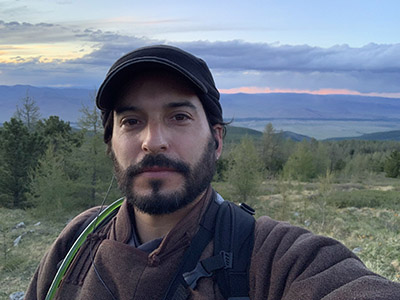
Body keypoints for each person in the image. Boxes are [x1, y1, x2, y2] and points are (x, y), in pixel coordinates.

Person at [25, 45, 400, 300]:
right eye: (132, 121)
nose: (153, 141)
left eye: (180, 117)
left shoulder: (272, 257)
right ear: (110, 143)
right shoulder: (76, 241)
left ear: (216, 141)